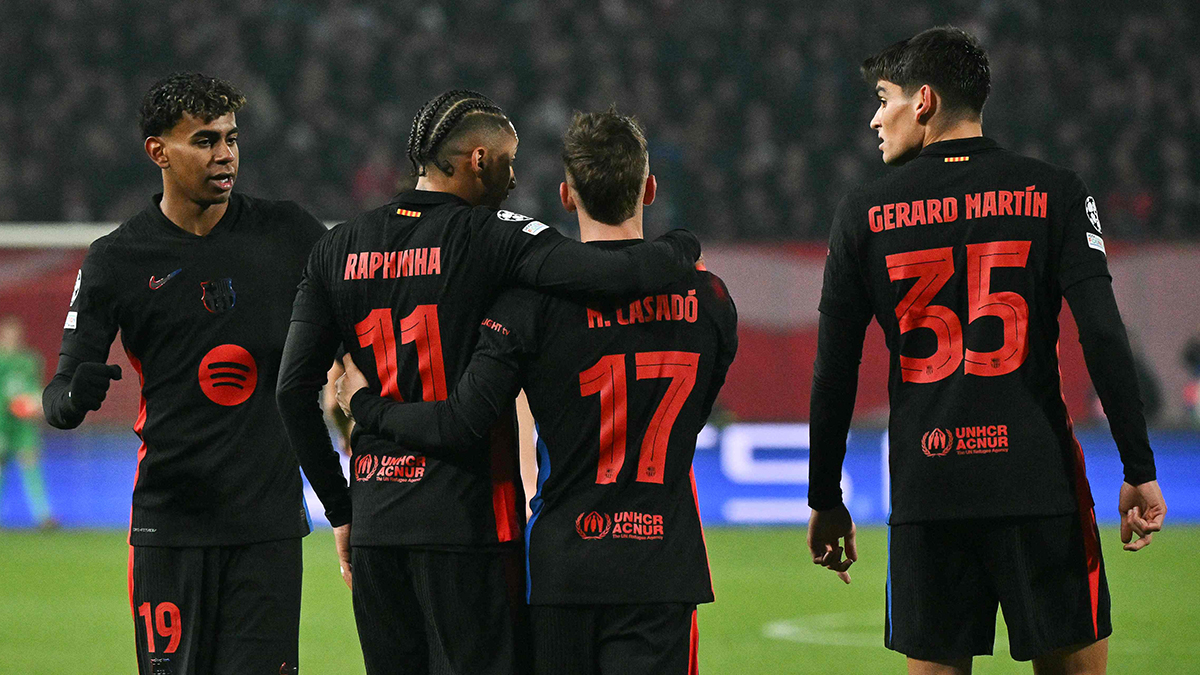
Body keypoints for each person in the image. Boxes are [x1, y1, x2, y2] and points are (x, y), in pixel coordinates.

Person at [275, 91, 704, 675]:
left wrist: (341, 508)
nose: (514, 176)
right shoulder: (491, 235)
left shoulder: (335, 247)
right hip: (471, 522)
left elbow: (292, 390)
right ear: (478, 160)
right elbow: (610, 271)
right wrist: (682, 246)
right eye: (508, 160)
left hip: (378, 523)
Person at [807, 27, 1167, 675]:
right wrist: (1138, 465)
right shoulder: (1055, 191)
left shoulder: (863, 211)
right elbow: (1103, 334)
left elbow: (834, 366)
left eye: (883, 98)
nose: (873, 117)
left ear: (923, 101)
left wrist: (824, 496)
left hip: (928, 487)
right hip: (1038, 480)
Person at [42, 73, 326, 675]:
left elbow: (354, 341)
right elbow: (59, 392)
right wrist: (73, 398)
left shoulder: (291, 234)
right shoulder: (117, 259)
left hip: (267, 527)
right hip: (170, 525)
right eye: (204, 140)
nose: (224, 154)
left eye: (231, 137)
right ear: (158, 151)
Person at [0, 316, 55, 529]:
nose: (13, 339)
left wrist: (35, 405)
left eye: (16, 335)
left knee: (30, 463)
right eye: (9, 335)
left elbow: (35, 389)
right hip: (2, 421)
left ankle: (43, 517)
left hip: (23, 424)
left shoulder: (30, 360)